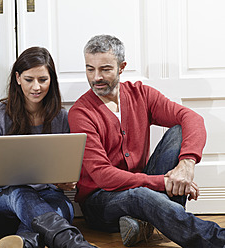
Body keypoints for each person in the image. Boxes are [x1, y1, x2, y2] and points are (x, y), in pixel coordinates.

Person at [68, 34, 225, 248]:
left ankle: (145, 222)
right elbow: (103, 175)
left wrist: (186, 164)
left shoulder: (140, 94)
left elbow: (192, 118)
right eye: (90, 69)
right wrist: (164, 182)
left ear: (122, 67)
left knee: (179, 130)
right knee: (140, 196)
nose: (96, 77)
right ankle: (217, 239)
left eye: (105, 69)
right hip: (101, 202)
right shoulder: (81, 113)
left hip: (141, 186)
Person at [0, 47, 96, 248]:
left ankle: (24, 242)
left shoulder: (61, 117)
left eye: (43, 80)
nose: (36, 87)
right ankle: (75, 245)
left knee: (58, 208)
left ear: (52, 80)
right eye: (29, 80)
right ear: (18, 78)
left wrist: (66, 182)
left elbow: (66, 168)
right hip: (5, 203)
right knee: (20, 193)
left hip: (50, 197)